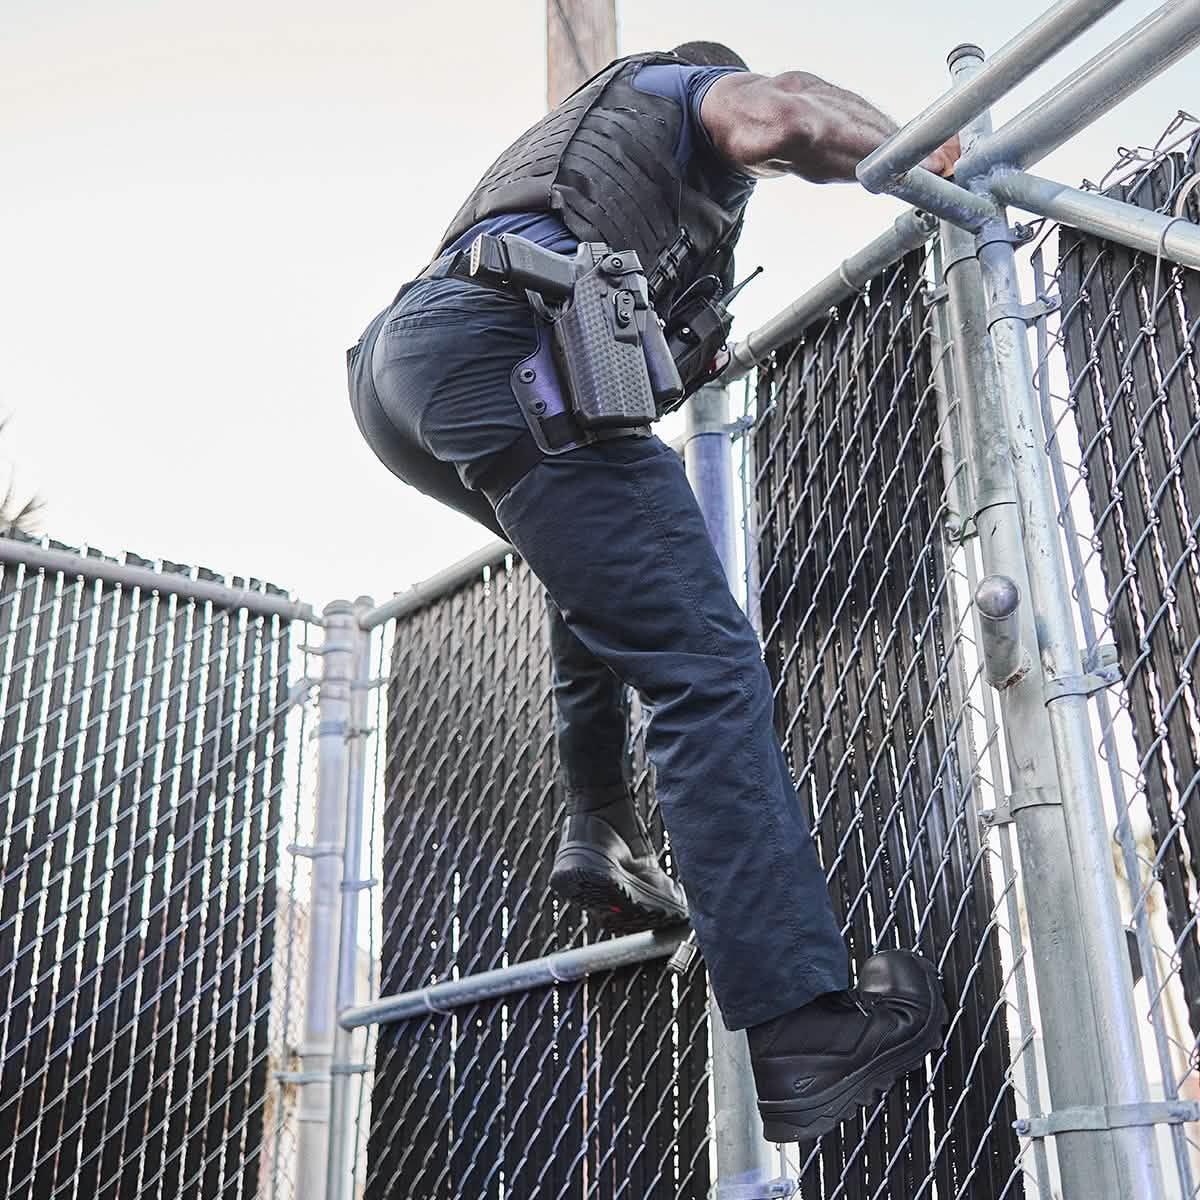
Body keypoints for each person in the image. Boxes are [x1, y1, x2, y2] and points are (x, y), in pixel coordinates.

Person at [347, 40, 959, 1143]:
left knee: (595, 562)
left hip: (406, 365)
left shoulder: (584, 172)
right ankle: (802, 1022)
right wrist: (925, 148)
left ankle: (603, 829)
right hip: (504, 341)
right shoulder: (677, 90)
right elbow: (782, 113)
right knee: (706, 667)